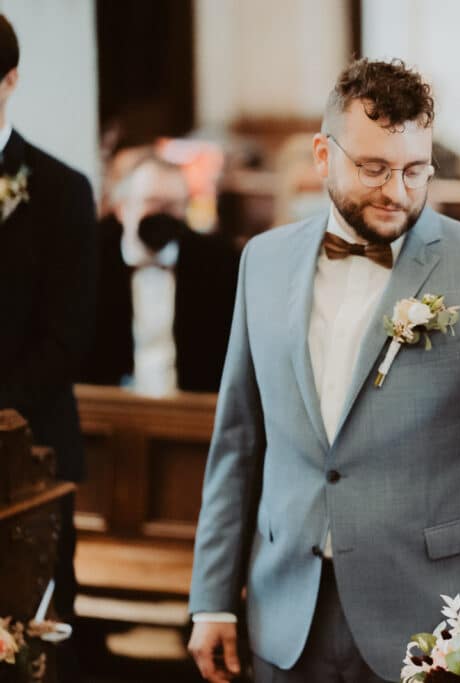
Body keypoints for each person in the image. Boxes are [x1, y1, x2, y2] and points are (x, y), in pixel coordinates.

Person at [187, 58, 460, 683]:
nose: (397, 191)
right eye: (374, 169)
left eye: (415, 171)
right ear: (321, 154)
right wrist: (211, 599)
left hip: (438, 628)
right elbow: (237, 443)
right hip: (285, 618)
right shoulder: (263, 260)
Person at [0, 14, 97, 682]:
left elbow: (69, 335)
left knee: (31, 636)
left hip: (27, 451)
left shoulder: (61, 191)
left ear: (9, 81)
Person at [81, 154, 239, 395]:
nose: (163, 214)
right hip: (109, 406)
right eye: (152, 202)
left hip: (190, 409)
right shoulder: (89, 260)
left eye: (174, 205)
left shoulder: (220, 265)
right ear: (123, 208)